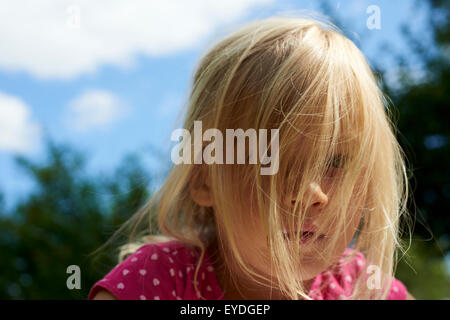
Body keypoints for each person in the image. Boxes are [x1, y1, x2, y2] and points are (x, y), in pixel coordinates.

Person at [89, 13, 415, 300]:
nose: (309, 193)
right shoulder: (157, 281)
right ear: (204, 178)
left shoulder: (370, 290)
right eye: (268, 158)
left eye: (335, 161)